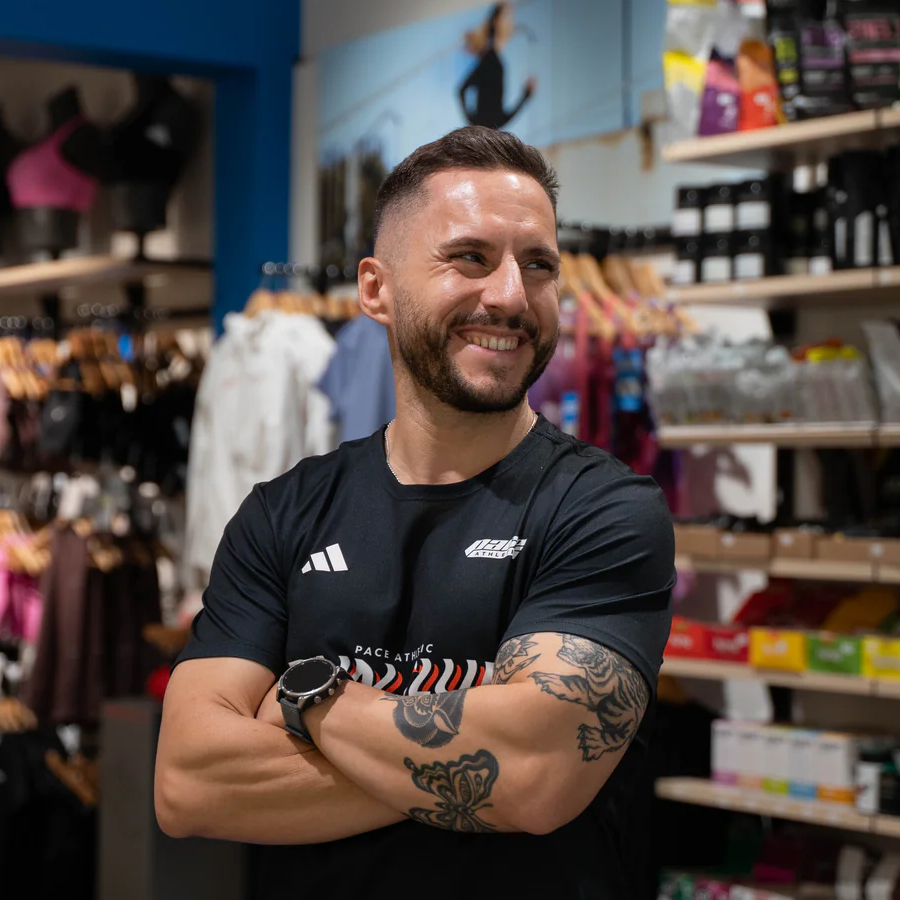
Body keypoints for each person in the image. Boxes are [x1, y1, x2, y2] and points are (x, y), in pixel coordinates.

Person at [155, 124, 675, 900]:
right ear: (376, 289)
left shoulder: (604, 512)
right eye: (470, 258)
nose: (510, 295)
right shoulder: (281, 513)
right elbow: (188, 784)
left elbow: (531, 777)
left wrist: (309, 696)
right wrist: (476, 766)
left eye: (538, 265)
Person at [458, 2, 536, 130]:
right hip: (491, 64)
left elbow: (460, 90)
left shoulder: (494, 122)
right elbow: (460, 91)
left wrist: (470, 120)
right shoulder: (496, 122)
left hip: (490, 65)